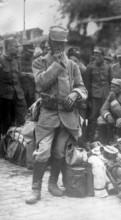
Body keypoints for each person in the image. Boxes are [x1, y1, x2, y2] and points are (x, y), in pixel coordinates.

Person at [25, 26, 87, 204]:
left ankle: (53, 183)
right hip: (48, 115)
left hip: (67, 117)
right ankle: (35, 189)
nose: (59, 46)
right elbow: (40, 84)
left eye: (62, 43)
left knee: (59, 152)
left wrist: (75, 94)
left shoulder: (73, 65)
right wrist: (57, 65)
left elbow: (82, 87)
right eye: (56, 43)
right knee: (43, 151)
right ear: (50, 43)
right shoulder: (40, 62)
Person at [0, 37, 27, 136]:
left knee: (23, 122)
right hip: (4, 98)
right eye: (15, 46)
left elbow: (19, 77)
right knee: (5, 126)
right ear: (8, 47)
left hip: (19, 96)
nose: (18, 48)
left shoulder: (17, 61)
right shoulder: (1, 60)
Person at [84, 46, 112, 142]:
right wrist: (87, 100)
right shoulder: (90, 67)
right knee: (93, 117)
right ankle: (90, 139)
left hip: (106, 96)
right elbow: (87, 84)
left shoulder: (108, 67)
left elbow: (111, 82)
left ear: (103, 56)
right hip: (95, 97)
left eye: (99, 55)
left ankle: (106, 139)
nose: (97, 57)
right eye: (95, 55)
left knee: (106, 116)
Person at [97, 78, 121, 144]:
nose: (111, 89)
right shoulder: (112, 94)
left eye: (114, 87)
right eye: (111, 87)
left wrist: (114, 101)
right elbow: (103, 108)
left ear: (120, 88)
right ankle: (102, 143)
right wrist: (108, 115)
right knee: (100, 119)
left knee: (120, 121)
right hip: (114, 117)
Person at [20, 43, 36, 108]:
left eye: (33, 52)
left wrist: (34, 76)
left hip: (32, 94)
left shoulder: (36, 62)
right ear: (24, 51)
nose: (32, 54)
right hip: (19, 94)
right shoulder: (16, 61)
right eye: (30, 52)